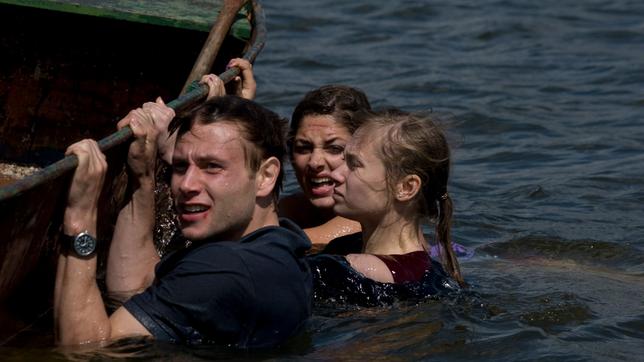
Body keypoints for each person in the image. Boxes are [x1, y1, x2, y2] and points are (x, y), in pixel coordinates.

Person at [55, 95, 312, 348]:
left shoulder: (228, 268)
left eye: (212, 166)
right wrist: (143, 176)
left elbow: (88, 350)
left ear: (265, 176)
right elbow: (136, 287)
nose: (185, 185)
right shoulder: (282, 243)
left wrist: (81, 215)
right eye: (179, 166)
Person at [307, 109, 466, 306]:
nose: (336, 174)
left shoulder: (355, 269)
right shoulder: (428, 267)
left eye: (354, 164)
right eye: (343, 160)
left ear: (406, 187)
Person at [279, 85, 372, 245]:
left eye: (334, 148)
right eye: (303, 148)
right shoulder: (293, 208)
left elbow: (272, 243)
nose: (315, 162)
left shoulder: (366, 218)